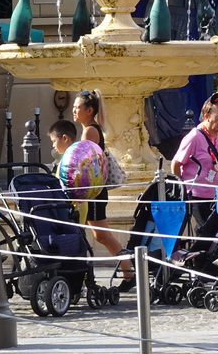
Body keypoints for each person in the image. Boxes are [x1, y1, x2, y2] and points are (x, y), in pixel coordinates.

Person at [72, 90, 134, 289]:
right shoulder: (90, 129)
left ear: (89, 110)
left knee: (102, 235)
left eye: (77, 108)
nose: (74, 111)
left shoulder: (90, 131)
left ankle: (129, 272)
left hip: (94, 191)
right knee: (97, 234)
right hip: (94, 191)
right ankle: (127, 271)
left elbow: (87, 164)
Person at [172, 98, 218, 226]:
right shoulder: (194, 137)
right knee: (206, 232)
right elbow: (176, 163)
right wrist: (180, 188)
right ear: (207, 116)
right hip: (198, 195)